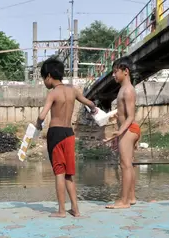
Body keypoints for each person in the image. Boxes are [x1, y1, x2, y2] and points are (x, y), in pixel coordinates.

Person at [35, 57, 98, 218]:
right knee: (69, 173)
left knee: (59, 172)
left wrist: (37, 124)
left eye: (43, 78)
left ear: (49, 76)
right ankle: (76, 210)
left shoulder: (53, 93)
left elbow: (42, 115)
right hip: (69, 134)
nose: (44, 82)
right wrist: (94, 109)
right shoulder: (73, 90)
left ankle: (62, 210)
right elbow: (89, 103)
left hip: (55, 134)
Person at [104, 56, 141, 209]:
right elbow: (124, 112)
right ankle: (131, 197)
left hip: (128, 130)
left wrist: (119, 131)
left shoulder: (128, 90)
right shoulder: (123, 89)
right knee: (128, 165)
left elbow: (131, 116)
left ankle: (124, 201)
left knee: (124, 165)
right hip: (128, 129)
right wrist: (116, 116)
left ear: (125, 71)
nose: (113, 75)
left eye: (115, 72)